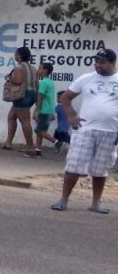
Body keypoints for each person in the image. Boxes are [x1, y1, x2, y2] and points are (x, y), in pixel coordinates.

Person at [51, 48, 118, 214]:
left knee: (100, 169)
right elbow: (65, 98)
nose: (98, 65)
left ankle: (96, 203)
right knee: (74, 164)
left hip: (110, 132)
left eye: (102, 62)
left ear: (112, 63)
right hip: (85, 129)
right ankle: (63, 200)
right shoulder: (86, 79)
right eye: (96, 61)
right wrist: (71, 116)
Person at [3, 46, 37, 150]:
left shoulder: (19, 68)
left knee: (25, 120)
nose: (15, 55)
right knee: (11, 116)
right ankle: (8, 142)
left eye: (16, 53)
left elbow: (18, 81)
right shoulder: (33, 68)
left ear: (19, 56)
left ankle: (30, 146)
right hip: (31, 94)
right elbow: (36, 83)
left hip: (22, 95)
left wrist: (9, 78)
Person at [27, 62, 58, 157]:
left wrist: (35, 111)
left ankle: (57, 142)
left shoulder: (44, 83)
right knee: (41, 130)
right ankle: (38, 151)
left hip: (43, 110)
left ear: (45, 70)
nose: (38, 70)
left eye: (39, 68)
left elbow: (40, 98)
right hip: (48, 110)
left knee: (39, 130)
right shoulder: (48, 82)